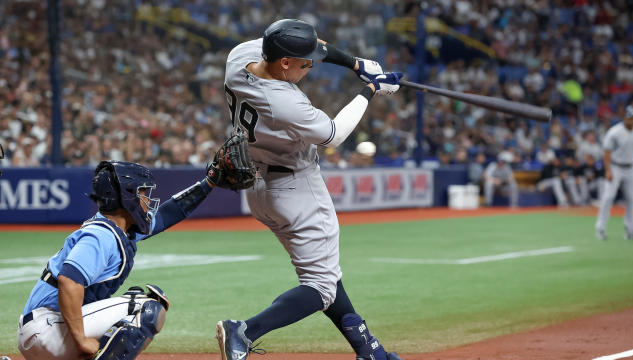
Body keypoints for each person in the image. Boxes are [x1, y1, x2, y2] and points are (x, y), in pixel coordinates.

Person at [217, 19, 403, 360]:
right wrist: (370, 89)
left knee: (325, 275)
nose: (312, 65)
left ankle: (369, 349)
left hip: (258, 185)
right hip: (295, 187)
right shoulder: (283, 102)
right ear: (284, 62)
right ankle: (244, 331)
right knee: (320, 286)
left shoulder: (239, 55)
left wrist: (356, 64)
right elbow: (335, 134)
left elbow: (300, 43)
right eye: (305, 63)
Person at [17, 160, 221, 360]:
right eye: (142, 193)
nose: (147, 200)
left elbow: (168, 214)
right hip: (47, 329)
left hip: (47, 330)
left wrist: (209, 181)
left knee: (134, 301)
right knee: (145, 309)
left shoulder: (118, 229)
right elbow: (69, 281)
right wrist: (81, 339)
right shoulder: (101, 236)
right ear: (127, 197)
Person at [595, 105, 633, 240]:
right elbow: (607, 152)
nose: (631, 121)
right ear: (624, 118)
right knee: (608, 197)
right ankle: (600, 229)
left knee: (632, 200)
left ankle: (630, 230)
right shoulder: (615, 132)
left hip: (631, 168)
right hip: (616, 167)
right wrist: (608, 170)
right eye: (628, 118)